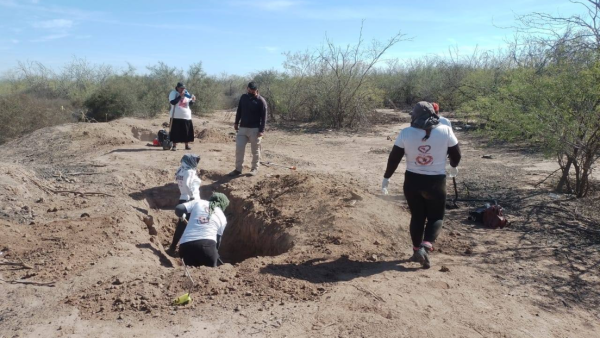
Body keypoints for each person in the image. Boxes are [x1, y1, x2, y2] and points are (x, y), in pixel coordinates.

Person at [381, 101, 461, 269]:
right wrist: (453, 166)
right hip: (436, 182)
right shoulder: (446, 131)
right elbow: (456, 154)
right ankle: (425, 246)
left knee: (417, 216)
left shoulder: (406, 133)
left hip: (413, 182)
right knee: (436, 217)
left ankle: (417, 249)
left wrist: (386, 178)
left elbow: (394, 158)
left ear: (415, 116)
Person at [170, 193, 229, 267]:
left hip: (185, 247)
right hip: (207, 247)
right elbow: (217, 241)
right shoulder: (223, 218)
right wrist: (214, 254)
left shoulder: (199, 202)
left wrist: (182, 216)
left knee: (192, 270)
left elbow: (179, 208)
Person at [229, 81, 267, 177]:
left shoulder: (261, 101)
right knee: (239, 148)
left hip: (255, 129)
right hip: (242, 128)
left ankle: (254, 169)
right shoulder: (243, 97)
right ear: (247, 88)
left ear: (256, 90)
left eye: (253, 91)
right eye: (250, 90)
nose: (251, 92)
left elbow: (264, 117)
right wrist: (236, 122)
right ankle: (238, 169)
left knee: (255, 150)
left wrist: (261, 131)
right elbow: (239, 110)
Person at [169, 154, 201, 254]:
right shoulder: (190, 171)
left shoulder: (181, 170)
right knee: (193, 225)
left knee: (182, 225)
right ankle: (187, 250)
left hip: (182, 199)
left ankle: (173, 246)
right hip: (191, 201)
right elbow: (187, 184)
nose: (196, 162)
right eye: (196, 160)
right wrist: (192, 196)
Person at [168, 82, 196, 151]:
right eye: (181, 88)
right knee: (175, 131)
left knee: (186, 131)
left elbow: (189, 103)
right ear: (177, 88)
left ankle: (186, 145)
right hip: (176, 116)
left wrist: (193, 100)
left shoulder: (187, 93)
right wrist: (180, 96)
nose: (182, 89)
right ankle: (174, 146)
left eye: (183, 88)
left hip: (186, 116)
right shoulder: (173, 93)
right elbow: (173, 102)